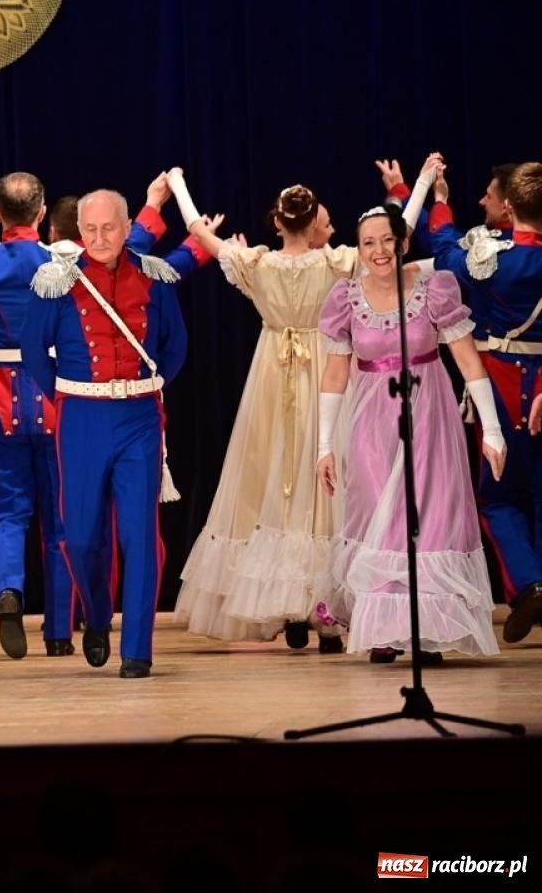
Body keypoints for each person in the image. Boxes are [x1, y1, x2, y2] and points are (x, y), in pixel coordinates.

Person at [0, 169, 206, 660]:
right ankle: (61, 628)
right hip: (63, 402)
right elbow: (134, 245)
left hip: (6, 402)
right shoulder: (59, 264)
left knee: (8, 509)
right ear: (46, 217)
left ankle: (10, 590)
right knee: (66, 524)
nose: (98, 237)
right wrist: (157, 207)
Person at [315, 205, 504, 661]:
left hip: (430, 417)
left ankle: (425, 632)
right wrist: (323, 445)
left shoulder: (435, 290)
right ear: (358, 250)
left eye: (387, 240)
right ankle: (383, 629)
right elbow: (336, 373)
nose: (379, 251)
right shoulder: (345, 299)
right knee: (382, 520)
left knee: (429, 519)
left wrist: (493, 430)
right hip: (372, 423)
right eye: (368, 243)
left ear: (401, 243)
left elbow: (466, 359)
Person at [172, 185, 356, 648]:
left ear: (276, 222)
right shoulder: (333, 264)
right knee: (320, 481)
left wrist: (177, 184)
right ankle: (321, 608)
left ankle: (298, 608)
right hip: (321, 369)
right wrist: (413, 188)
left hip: (273, 373)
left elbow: (199, 232)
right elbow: (400, 238)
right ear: (315, 222)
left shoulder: (258, 264)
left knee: (274, 479)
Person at [18, 189, 188, 679]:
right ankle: (94, 615)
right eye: (89, 230)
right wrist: (67, 398)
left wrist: (145, 388)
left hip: (139, 418)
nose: (98, 238)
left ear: (127, 224)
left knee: (140, 536)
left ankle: (137, 649)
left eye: (108, 228)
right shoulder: (57, 282)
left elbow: (175, 346)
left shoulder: (155, 277)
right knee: (82, 538)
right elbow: (33, 349)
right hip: (81, 419)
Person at [412, 158, 542, 643]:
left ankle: (530, 583)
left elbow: (445, 254)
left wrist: (440, 201)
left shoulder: (496, 260)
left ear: (509, 206)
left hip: (507, 384)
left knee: (499, 493)